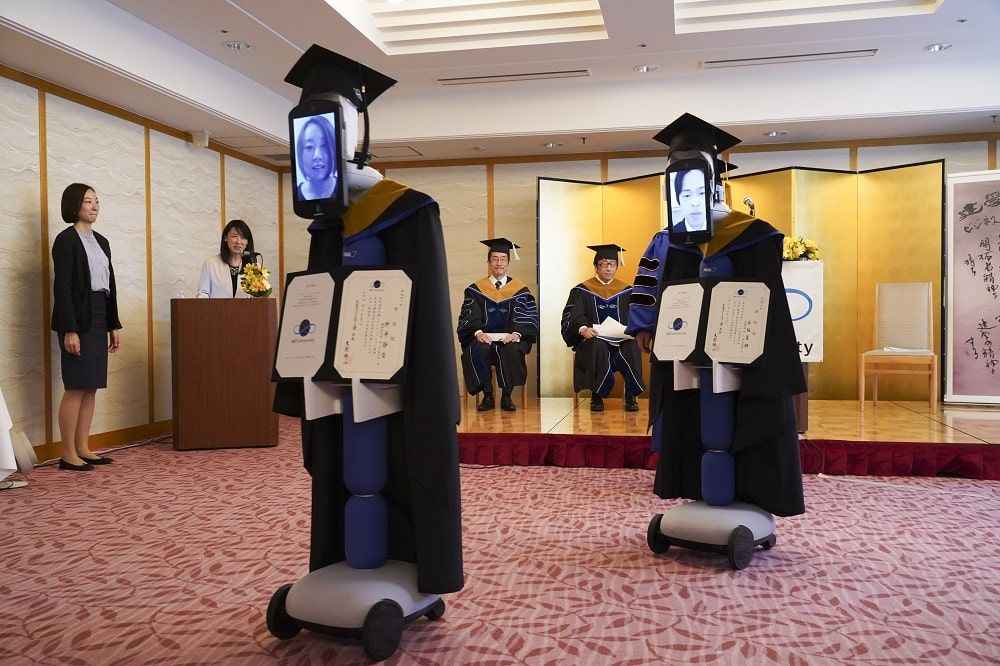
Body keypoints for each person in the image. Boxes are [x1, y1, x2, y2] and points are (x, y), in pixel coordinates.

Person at [273, 44, 464, 613]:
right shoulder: (327, 226)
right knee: (343, 459)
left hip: (393, 379)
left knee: (397, 458)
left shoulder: (409, 210)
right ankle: (344, 560)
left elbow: (427, 316)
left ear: (356, 131)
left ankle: (409, 567)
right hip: (341, 382)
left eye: (330, 128)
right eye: (307, 136)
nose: (318, 149)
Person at [629, 113, 805, 519]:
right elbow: (662, 289)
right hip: (691, 354)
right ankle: (696, 486)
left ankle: (749, 490)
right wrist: (649, 326)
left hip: (741, 349)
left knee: (745, 414)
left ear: (714, 180)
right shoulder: (674, 240)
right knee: (690, 415)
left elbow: (768, 307)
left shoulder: (754, 235)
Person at [51, 183, 122, 471]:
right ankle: (68, 454)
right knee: (76, 386)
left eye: (97, 201)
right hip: (77, 318)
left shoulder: (102, 241)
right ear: (74, 205)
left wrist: (113, 325)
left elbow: (109, 284)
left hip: (99, 314)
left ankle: (83, 447)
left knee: (91, 386)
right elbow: (63, 288)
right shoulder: (65, 240)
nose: (94, 206)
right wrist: (69, 329)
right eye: (88, 201)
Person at [457, 238, 539, 412]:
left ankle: (507, 396)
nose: (499, 263)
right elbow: (469, 315)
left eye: (503, 259)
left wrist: (516, 334)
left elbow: (526, 317)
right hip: (484, 338)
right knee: (477, 349)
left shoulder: (520, 290)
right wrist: (478, 333)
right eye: (495, 259)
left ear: (508, 262)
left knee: (511, 349)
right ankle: (487, 395)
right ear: (488, 262)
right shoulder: (475, 290)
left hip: (510, 338)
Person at [561, 244, 645, 412]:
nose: (608, 268)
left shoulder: (627, 291)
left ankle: (631, 395)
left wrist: (631, 331)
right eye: (603, 264)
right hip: (593, 342)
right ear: (596, 267)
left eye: (612, 264)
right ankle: (597, 395)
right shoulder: (581, 290)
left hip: (620, 342)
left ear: (616, 267)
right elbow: (573, 315)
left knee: (631, 346)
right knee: (597, 345)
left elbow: (635, 316)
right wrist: (583, 329)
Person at [197, 220, 255, 298]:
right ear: (225, 238)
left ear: (247, 242)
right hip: (216, 306)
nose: (238, 241)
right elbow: (203, 293)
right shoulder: (211, 264)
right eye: (235, 236)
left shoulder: (253, 267)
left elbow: (257, 297)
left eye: (243, 237)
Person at [295, 114, 338, 201]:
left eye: (324, 146)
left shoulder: (347, 188)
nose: (317, 156)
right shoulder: (296, 196)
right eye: (309, 147)